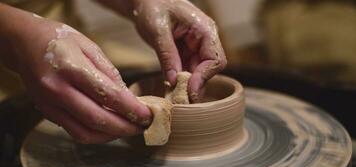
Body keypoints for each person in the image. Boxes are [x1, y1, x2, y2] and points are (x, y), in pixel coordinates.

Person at [0, 0, 227, 144]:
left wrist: (141, 2)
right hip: (22, 46)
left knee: (143, 66)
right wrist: (17, 37)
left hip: (62, 38)